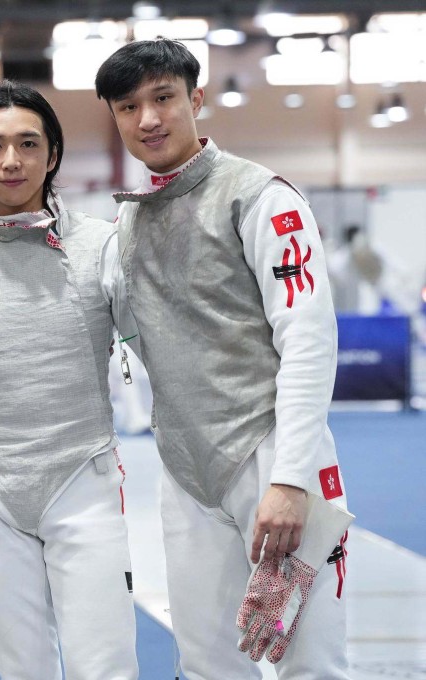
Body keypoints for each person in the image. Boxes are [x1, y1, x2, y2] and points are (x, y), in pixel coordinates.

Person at [95, 39, 352, 678]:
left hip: (275, 457)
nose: (148, 119)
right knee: (208, 665)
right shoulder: (130, 225)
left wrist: (290, 481)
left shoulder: (262, 197)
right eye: (129, 107)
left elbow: (309, 340)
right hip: (188, 471)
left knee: (311, 664)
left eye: (163, 98)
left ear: (196, 98)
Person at [0, 80, 138, 680]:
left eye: (28, 143)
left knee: (106, 663)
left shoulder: (103, 246)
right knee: (19, 667)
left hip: (83, 477)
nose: (11, 160)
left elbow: (163, 345)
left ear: (52, 154)